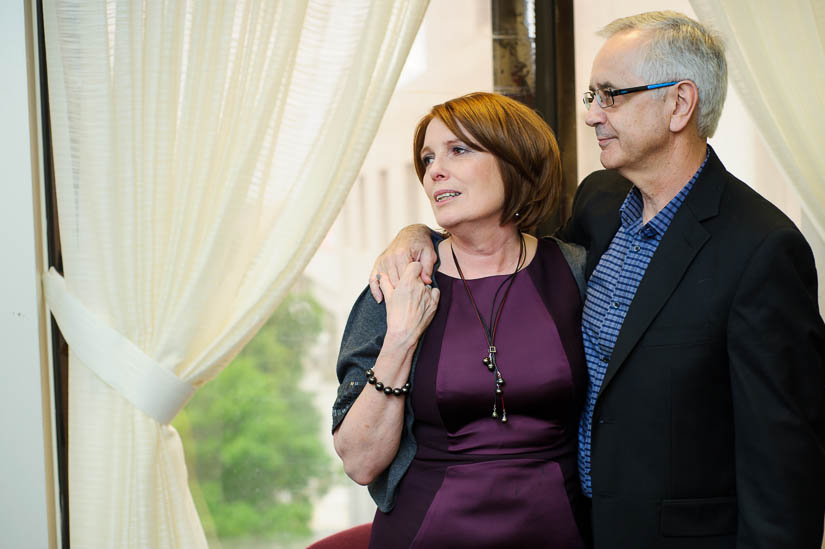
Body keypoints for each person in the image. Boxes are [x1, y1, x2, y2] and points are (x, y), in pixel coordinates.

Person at [367, 11, 825, 549]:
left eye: (610, 95)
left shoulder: (762, 248)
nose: (592, 116)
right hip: (573, 528)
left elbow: (784, 465)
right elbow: (503, 248)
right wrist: (417, 233)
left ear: (679, 104)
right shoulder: (600, 202)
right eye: (591, 97)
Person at [332, 92, 590, 548]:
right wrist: (400, 340)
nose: (435, 170)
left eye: (459, 150)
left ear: (515, 160)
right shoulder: (400, 280)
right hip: (427, 532)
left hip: (562, 531)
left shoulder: (578, 271)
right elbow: (360, 463)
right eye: (428, 158)